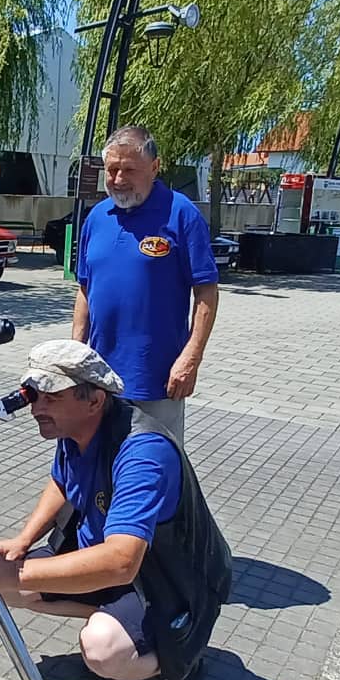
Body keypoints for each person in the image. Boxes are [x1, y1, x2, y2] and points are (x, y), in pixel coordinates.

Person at [0, 340, 231, 680]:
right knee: (6, 588)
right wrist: (22, 543)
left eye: (51, 397)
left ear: (94, 400)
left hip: (170, 580)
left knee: (101, 650)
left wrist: (13, 572)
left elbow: (120, 563)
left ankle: (178, 665)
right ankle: (127, 631)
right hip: (115, 563)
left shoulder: (143, 452)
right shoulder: (75, 429)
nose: (36, 408)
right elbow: (62, 482)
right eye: (34, 396)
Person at [71, 126, 219, 444]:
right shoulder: (96, 218)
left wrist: (191, 358)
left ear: (154, 167)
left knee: (154, 466)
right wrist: (76, 352)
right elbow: (84, 289)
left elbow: (206, 291)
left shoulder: (181, 214)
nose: (118, 179)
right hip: (97, 377)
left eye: (129, 170)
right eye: (112, 169)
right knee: (99, 465)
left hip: (156, 379)